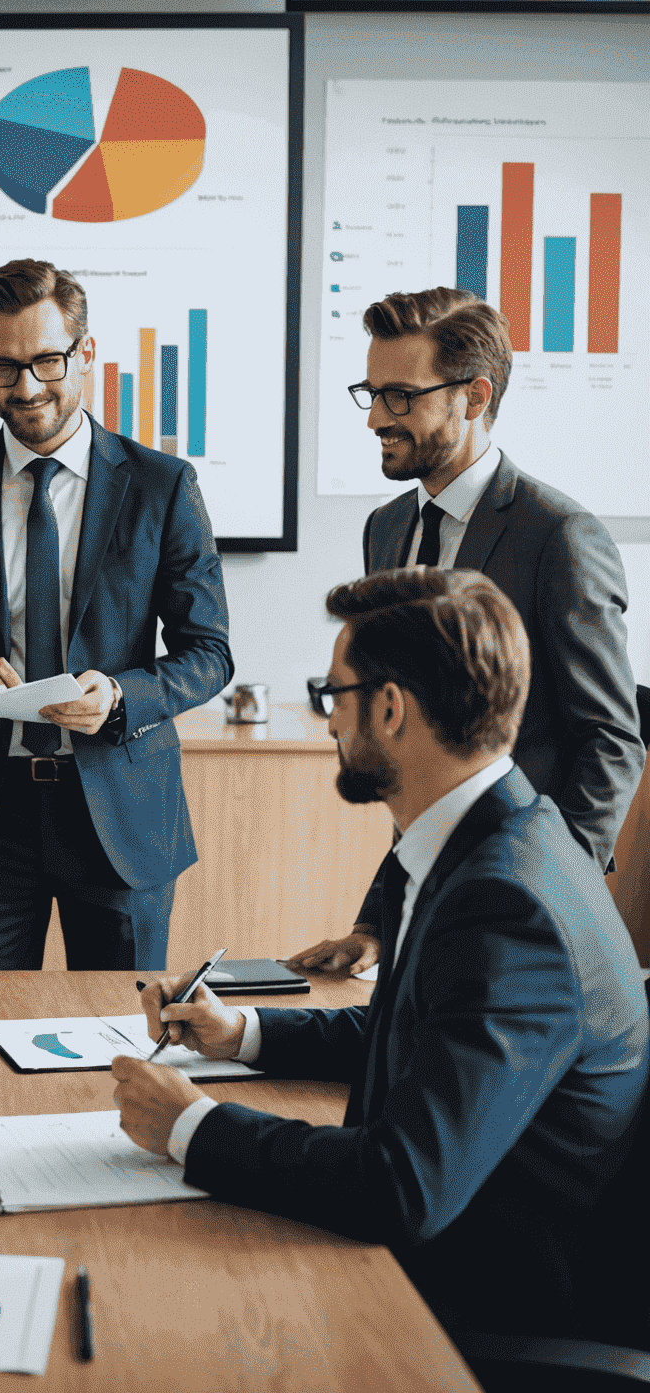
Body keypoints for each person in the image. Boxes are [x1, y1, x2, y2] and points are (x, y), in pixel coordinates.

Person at [113, 569, 647, 1339]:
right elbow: (420, 1029)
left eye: (333, 696)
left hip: (473, 1311)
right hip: (429, 1259)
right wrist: (243, 1035)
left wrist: (194, 1127)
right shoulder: (500, 838)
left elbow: (403, 1186)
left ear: (390, 708)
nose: (328, 722)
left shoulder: (506, 905)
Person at [0, 259, 232, 971]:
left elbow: (209, 652)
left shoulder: (162, 487)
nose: (27, 388)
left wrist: (123, 696)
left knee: (122, 1043)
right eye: (3, 368)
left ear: (86, 353)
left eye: (46, 361)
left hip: (120, 817)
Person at [289, 288, 642, 976]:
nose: (376, 421)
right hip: (432, 896)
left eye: (401, 397)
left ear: (473, 397)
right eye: (372, 393)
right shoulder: (386, 529)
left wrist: (546, 891)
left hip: (520, 898)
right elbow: (412, 758)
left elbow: (611, 741)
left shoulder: (559, 537)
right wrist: (377, 923)